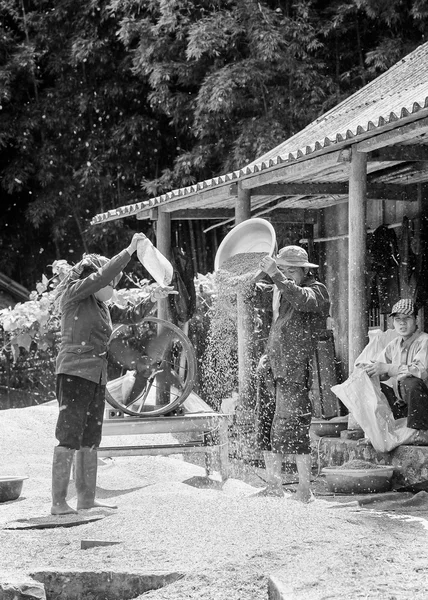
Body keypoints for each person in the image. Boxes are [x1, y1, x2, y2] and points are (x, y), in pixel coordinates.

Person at [51, 232, 176, 515]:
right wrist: (130, 250)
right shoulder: (75, 294)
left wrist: (152, 297)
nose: (111, 285)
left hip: (96, 375)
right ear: (93, 278)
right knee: (69, 436)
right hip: (73, 373)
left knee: (90, 438)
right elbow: (100, 277)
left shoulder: (100, 305)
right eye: (109, 281)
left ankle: (86, 499)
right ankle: (58, 503)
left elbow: (130, 314)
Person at [257, 245, 330, 502]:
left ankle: (304, 490)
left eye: (289, 270)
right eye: (281, 268)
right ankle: (274, 486)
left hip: (295, 369)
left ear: (303, 271)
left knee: (294, 429)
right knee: (266, 426)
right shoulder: (279, 290)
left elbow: (300, 297)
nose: (284, 274)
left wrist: (276, 274)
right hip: (272, 366)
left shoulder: (316, 291)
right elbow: (256, 292)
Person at [364, 298, 428, 445]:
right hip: (405, 405)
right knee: (374, 386)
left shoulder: (425, 341)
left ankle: (422, 432)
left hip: (423, 406)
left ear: (416, 320)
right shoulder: (394, 345)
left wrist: (387, 368)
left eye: (407, 318)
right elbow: (378, 365)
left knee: (411, 382)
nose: (402, 323)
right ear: (393, 322)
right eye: (398, 319)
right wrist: (367, 369)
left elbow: (420, 371)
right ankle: (376, 432)